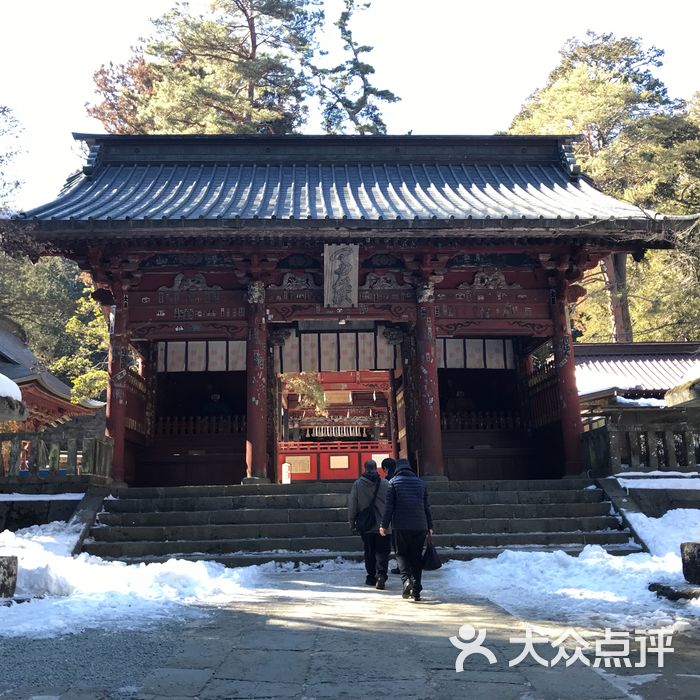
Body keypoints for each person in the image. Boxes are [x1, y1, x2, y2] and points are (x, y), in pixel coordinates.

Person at [379, 458, 433, 601]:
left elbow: (389, 507)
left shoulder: (393, 483)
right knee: (416, 557)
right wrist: (430, 526)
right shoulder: (422, 483)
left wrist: (383, 525)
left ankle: (406, 581)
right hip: (420, 526)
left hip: (401, 525)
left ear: (397, 469)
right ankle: (417, 590)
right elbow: (427, 507)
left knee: (401, 554)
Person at [348, 459, 391, 590]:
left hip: (366, 525)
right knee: (383, 551)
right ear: (376, 468)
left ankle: (371, 576)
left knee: (369, 551)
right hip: (384, 524)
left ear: (365, 468)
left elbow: (353, 505)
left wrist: (351, 522)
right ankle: (382, 575)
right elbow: (391, 503)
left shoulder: (358, 484)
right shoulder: (386, 483)